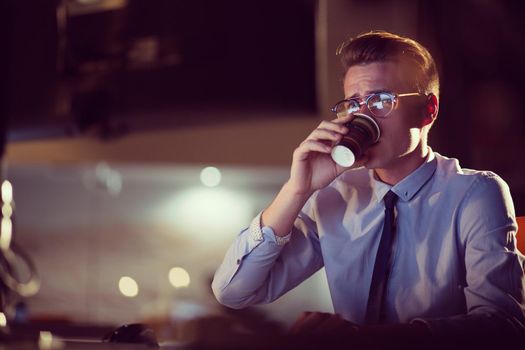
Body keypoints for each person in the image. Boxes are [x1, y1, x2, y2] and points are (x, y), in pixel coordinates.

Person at [211, 31, 525, 338]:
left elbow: (504, 326)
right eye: (353, 103)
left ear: (428, 110)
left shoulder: (475, 194)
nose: (363, 117)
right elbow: (234, 292)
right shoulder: (335, 196)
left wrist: (364, 338)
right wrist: (297, 189)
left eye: (380, 101)